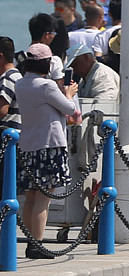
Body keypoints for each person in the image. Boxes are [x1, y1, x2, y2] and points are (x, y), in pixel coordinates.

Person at [12, 44, 77, 258]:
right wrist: (68, 93)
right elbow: (69, 109)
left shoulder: (21, 84)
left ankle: (31, 242)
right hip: (49, 145)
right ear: (46, 63)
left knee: (31, 198)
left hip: (29, 143)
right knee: (43, 199)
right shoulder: (46, 86)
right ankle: (37, 244)